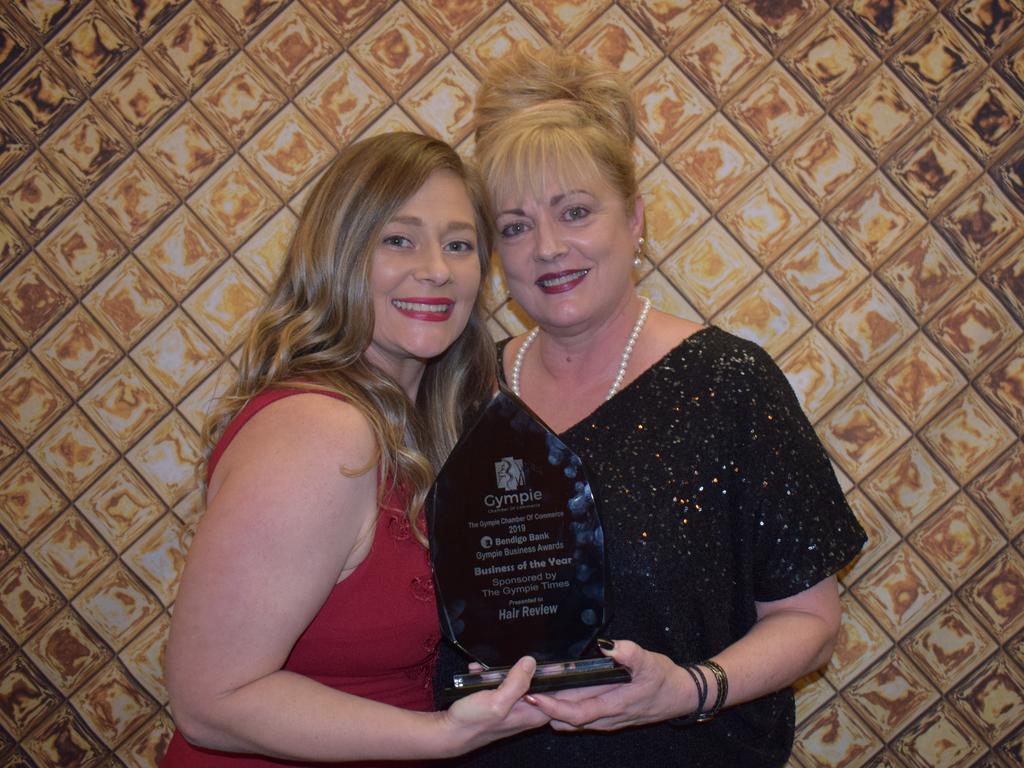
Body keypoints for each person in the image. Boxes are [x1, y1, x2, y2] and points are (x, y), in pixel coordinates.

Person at [437, 48, 868, 767]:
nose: (547, 248)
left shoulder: (730, 383)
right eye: (514, 227)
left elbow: (811, 622)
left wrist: (688, 689)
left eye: (575, 212)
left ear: (635, 220)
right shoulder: (463, 390)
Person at [161, 132, 549, 767]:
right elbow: (210, 701)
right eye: (398, 239)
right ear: (339, 256)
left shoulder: (428, 426)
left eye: (459, 244)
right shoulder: (325, 432)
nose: (436, 268)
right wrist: (444, 735)